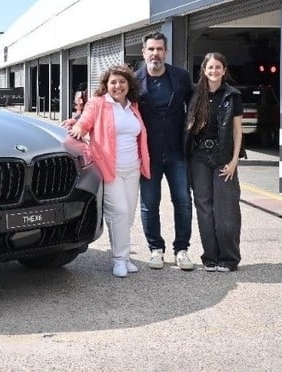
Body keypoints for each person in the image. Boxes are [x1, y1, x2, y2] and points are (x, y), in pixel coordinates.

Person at [67, 64, 151, 278]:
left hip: (133, 168)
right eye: (113, 82)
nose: (117, 86)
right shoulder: (98, 104)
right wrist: (77, 127)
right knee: (119, 212)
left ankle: (123, 255)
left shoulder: (132, 106)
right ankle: (119, 260)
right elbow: (84, 122)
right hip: (109, 168)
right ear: (106, 85)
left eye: (122, 82)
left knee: (128, 214)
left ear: (128, 84)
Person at [134, 32, 196, 271]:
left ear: (166, 52)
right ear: (144, 52)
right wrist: (80, 121)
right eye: (151, 49)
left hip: (177, 153)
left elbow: (194, 106)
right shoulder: (134, 80)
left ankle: (182, 249)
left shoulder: (180, 77)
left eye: (159, 49)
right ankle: (155, 250)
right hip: (148, 155)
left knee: (183, 201)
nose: (155, 54)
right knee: (150, 204)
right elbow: (110, 104)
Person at [185, 52, 243, 272]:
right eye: (210, 67)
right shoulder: (195, 94)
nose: (214, 71)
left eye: (218, 67)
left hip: (223, 157)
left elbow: (238, 131)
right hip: (199, 157)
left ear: (224, 70)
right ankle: (210, 257)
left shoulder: (232, 95)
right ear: (204, 70)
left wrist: (235, 160)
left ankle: (229, 259)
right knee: (204, 208)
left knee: (226, 209)